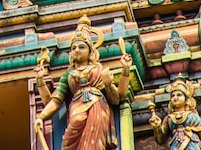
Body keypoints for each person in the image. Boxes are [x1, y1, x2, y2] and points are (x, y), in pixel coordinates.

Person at [33, 15, 130, 150]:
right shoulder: (68, 75)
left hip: (96, 106)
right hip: (76, 109)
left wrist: (122, 72)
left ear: (90, 51)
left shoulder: (98, 70)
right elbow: (54, 101)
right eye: (74, 48)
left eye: (81, 47)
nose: (77, 50)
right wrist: (41, 117)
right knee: (72, 132)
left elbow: (117, 98)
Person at [149, 78, 201, 150]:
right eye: (173, 96)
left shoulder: (192, 116)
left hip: (191, 144)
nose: (175, 98)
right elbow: (160, 139)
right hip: (176, 145)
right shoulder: (169, 118)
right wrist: (157, 127)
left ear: (187, 100)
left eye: (179, 95)